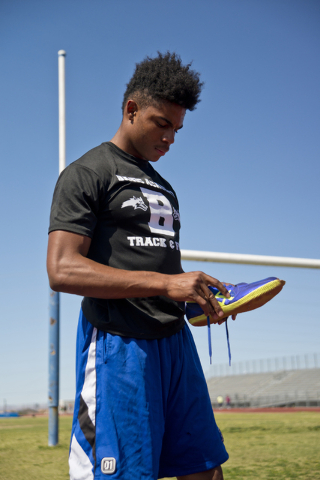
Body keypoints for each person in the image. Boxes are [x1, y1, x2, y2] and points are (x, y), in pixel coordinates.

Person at [47, 52, 232, 480]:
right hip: (119, 347)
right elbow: (62, 269)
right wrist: (166, 285)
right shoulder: (87, 173)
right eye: (161, 123)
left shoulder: (164, 187)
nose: (170, 138)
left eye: (177, 129)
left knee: (205, 470)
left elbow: (162, 277)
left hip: (175, 346)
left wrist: (197, 298)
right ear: (131, 109)